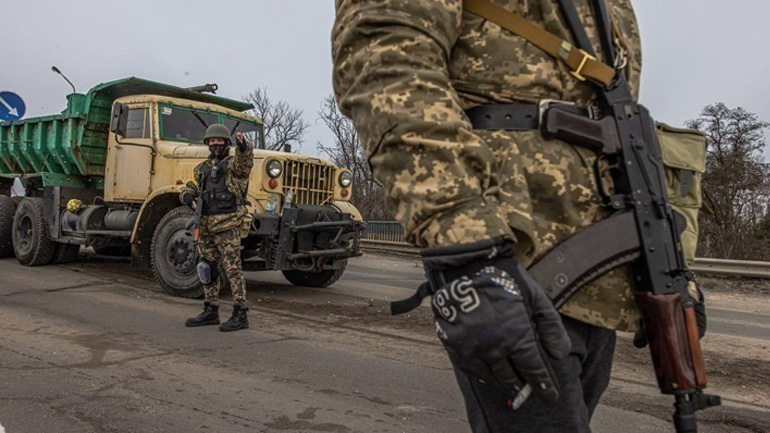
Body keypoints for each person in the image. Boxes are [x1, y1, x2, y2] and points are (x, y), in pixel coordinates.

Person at [333, 1, 645, 431]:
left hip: (596, 257)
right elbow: (387, 61)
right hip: (509, 243)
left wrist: (661, 259)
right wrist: (466, 248)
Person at [180, 123, 253, 332]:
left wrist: (242, 147)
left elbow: (244, 163)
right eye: (212, 141)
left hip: (227, 224)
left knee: (232, 270)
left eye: (219, 141)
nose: (215, 144)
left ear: (226, 143)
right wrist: (187, 194)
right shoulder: (202, 168)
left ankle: (240, 313)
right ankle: (210, 310)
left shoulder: (233, 166)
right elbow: (193, 185)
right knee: (206, 269)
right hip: (206, 225)